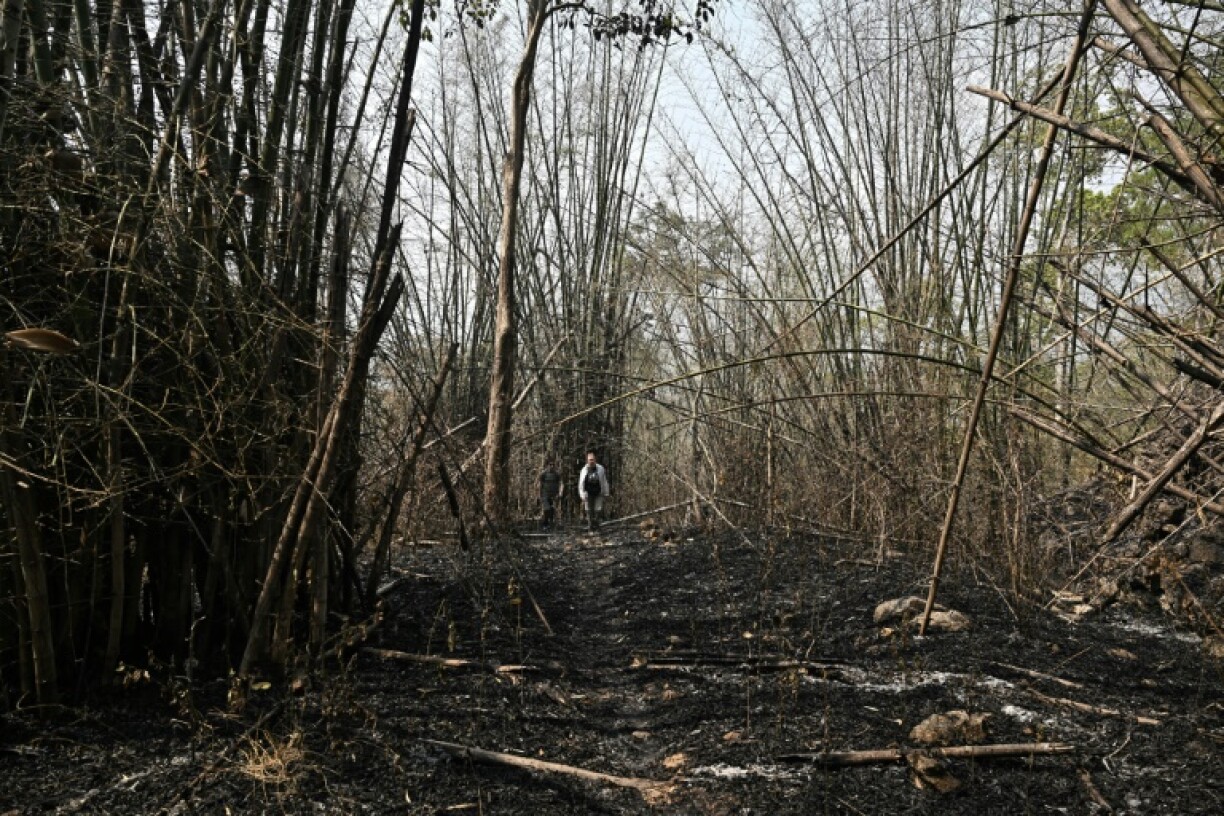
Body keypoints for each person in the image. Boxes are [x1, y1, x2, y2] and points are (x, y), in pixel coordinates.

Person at [577, 451, 610, 532]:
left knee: (598, 510)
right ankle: (590, 527)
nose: (591, 461)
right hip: (588, 493)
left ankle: (597, 526)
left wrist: (606, 492)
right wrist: (582, 495)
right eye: (589, 460)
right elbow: (581, 483)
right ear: (587, 460)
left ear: (595, 459)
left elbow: (604, 480)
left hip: (598, 492)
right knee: (589, 511)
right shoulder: (584, 470)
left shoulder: (600, 468)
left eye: (592, 459)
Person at [538, 460, 563, 530]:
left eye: (553, 465)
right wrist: (539, 494)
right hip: (545, 493)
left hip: (554, 494)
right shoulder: (543, 474)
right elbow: (539, 484)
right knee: (547, 509)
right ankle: (545, 524)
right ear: (547, 465)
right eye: (550, 464)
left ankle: (550, 525)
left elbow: (561, 483)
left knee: (552, 510)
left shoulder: (557, 474)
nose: (551, 466)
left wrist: (560, 492)